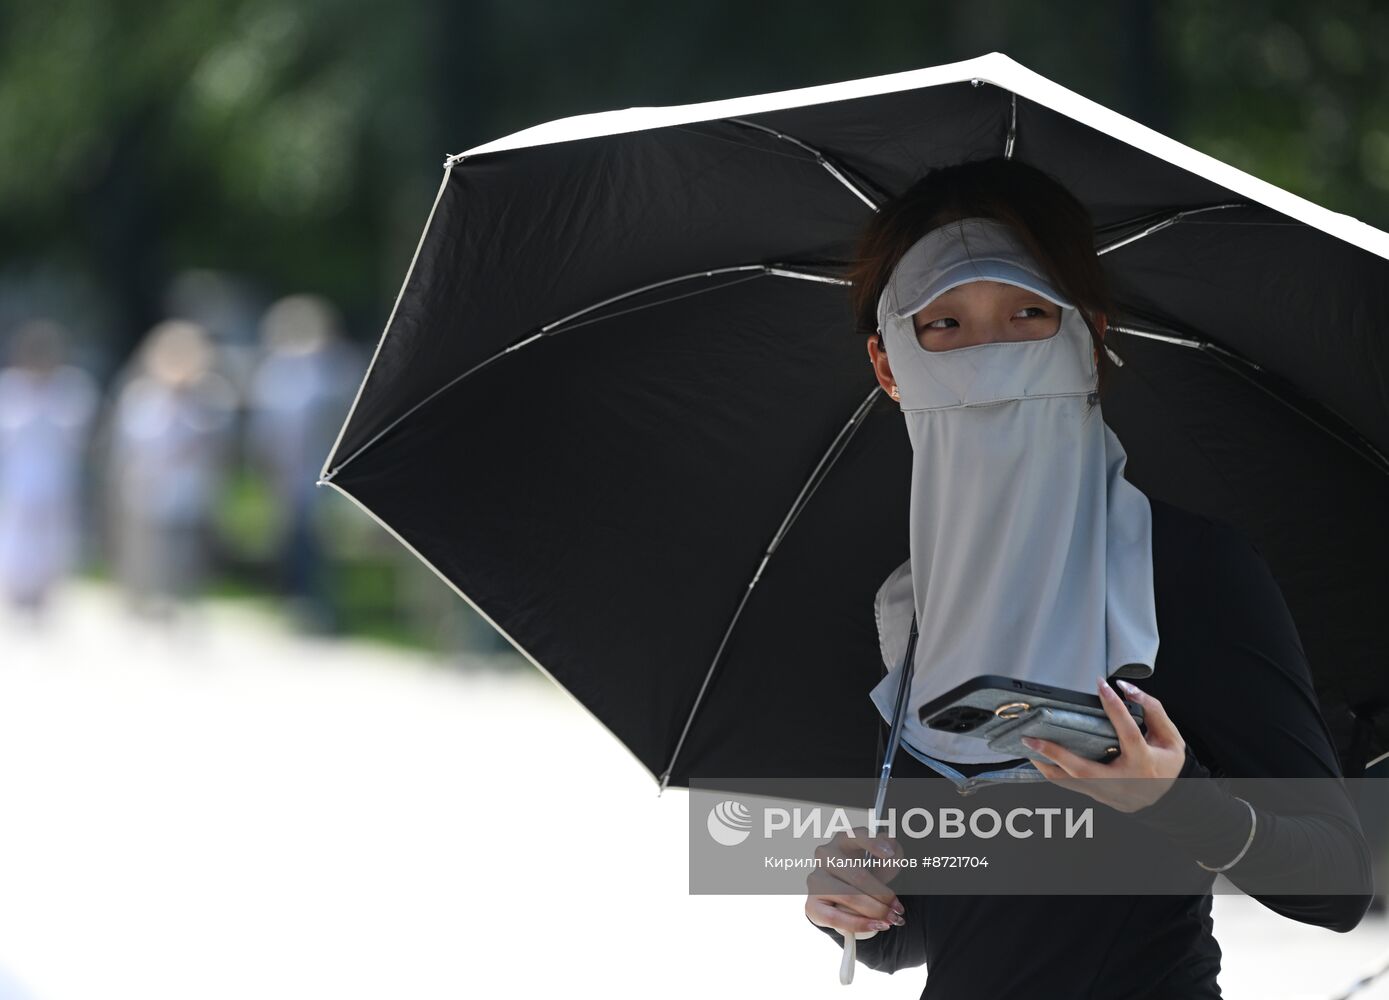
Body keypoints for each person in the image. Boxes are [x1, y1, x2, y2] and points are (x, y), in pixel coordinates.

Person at [803, 156, 1374, 998]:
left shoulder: (1184, 569)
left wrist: (1171, 798)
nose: (986, 354)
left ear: (1090, 339)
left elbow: (1335, 885)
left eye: (1026, 312)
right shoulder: (911, 604)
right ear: (888, 365)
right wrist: (851, 902)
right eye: (944, 325)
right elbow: (928, 930)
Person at [0, 319, 98, 620]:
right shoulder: (10, 389)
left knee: (54, 540)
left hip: (57, 479)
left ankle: (46, 595)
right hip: (18, 480)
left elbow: (79, 435)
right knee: (16, 538)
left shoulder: (71, 389)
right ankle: (16, 593)